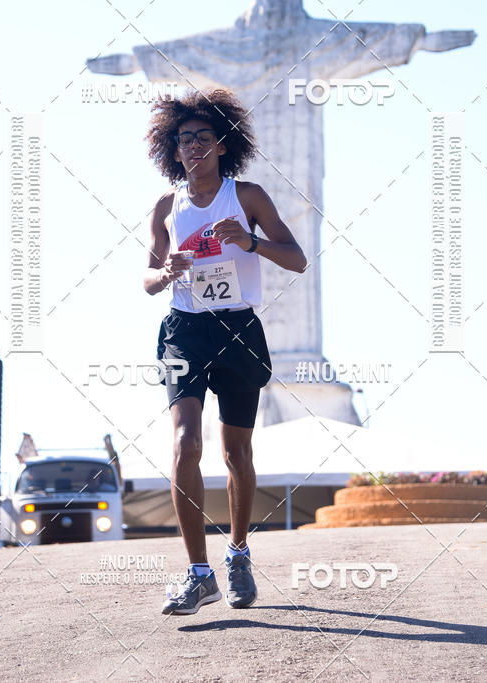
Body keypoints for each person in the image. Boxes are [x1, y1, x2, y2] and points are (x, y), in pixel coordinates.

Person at [143, 85, 307, 616]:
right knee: (186, 443)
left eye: (203, 138)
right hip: (185, 331)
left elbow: (298, 259)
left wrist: (252, 243)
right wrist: (164, 272)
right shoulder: (167, 207)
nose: (193, 147)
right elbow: (147, 278)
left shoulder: (249, 196)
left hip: (238, 331)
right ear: (173, 149)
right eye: (184, 139)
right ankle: (198, 574)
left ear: (222, 144)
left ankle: (237, 554)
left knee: (236, 453)